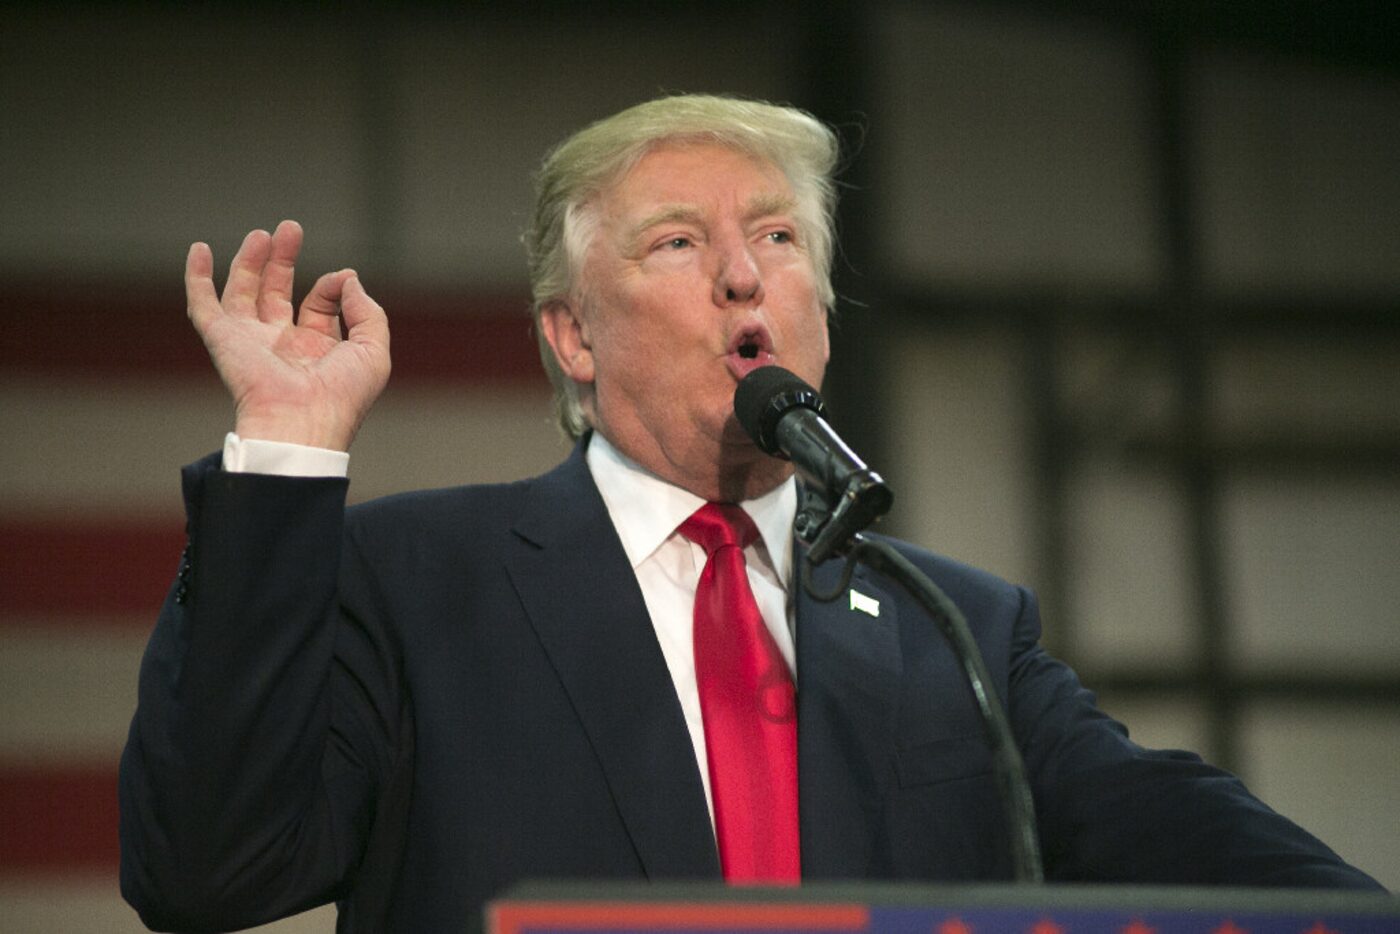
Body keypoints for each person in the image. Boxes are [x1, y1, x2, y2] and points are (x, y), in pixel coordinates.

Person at [119, 95, 1382, 934]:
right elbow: (206, 870)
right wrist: (284, 453)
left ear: (816, 315)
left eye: (775, 236)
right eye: (675, 243)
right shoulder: (413, 579)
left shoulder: (957, 624)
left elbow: (1174, 827)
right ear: (571, 336)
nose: (741, 271)